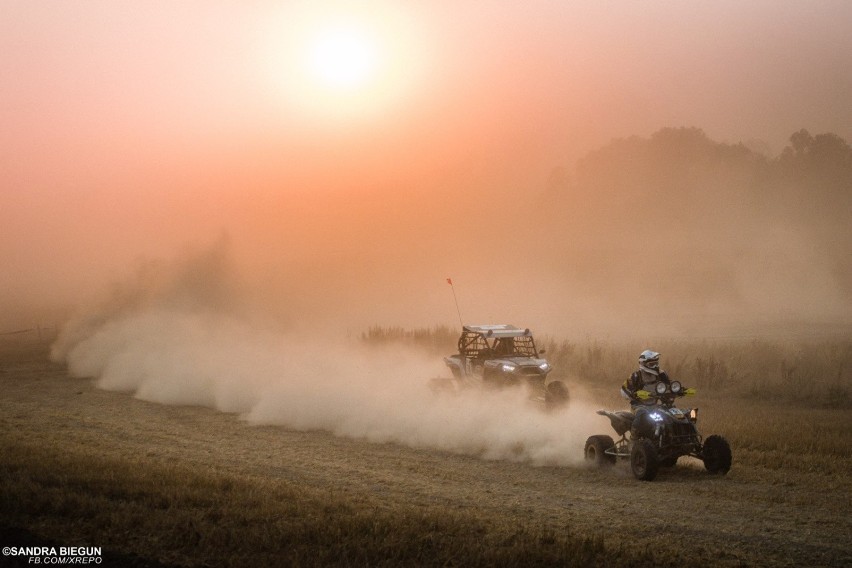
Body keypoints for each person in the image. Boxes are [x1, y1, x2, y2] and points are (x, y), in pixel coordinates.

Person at [621, 350, 672, 433]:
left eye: (656, 363)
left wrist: (676, 391)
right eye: (652, 364)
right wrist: (634, 394)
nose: (655, 366)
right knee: (642, 415)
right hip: (639, 406)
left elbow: (668, 386)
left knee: (671, 415)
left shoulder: (661, 374)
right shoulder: (636, 376)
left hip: (655, 405)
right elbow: (623, 391)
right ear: (643, 364)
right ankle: (634, 438)